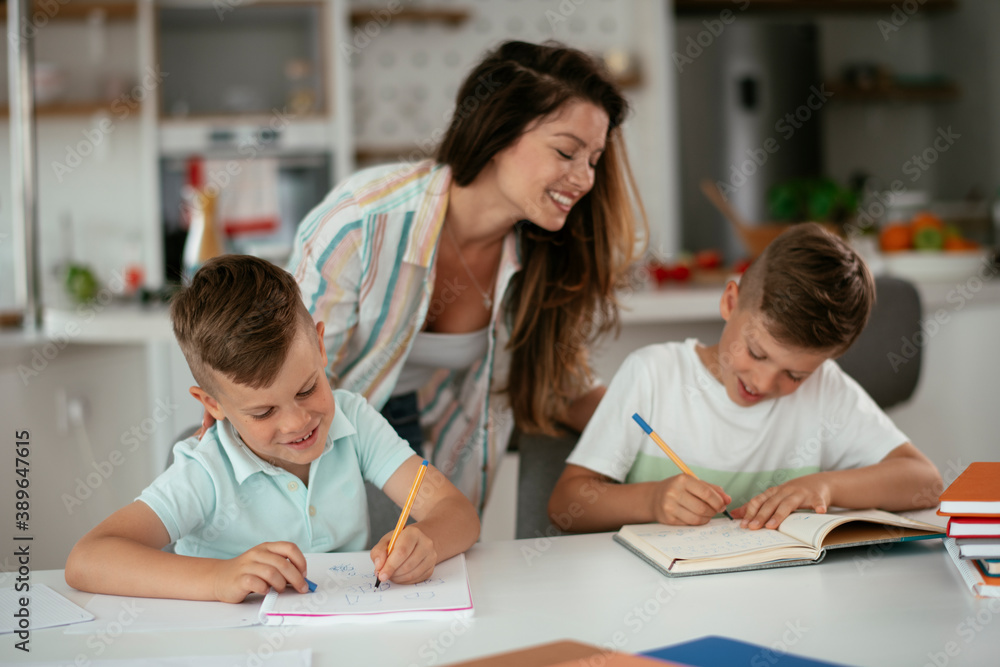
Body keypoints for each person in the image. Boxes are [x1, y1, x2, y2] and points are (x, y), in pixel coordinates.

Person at [286, 40, 646, 513]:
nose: (584, 179)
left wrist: (676, 437)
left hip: (430, 435)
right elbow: (295, 385)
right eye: (566, 152)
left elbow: (560, 386)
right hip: (325, 436)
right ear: (498, 133)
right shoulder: (360, 222)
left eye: (593, 161)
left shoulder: (539, 252)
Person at [65, 256, 480, 602]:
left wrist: (427, 540)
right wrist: (217, 579)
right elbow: (88, 558)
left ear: (320, 347)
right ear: (213, 404)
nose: (298, 422)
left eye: (307, 389)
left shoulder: (354, 420)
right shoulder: (206, 467)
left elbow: (457, 513)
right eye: (263, 413)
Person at [548, 223, 943, 533]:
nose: (766, 383)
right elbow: (565, 504)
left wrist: (825, 486)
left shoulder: (826, 390)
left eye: (795, 374)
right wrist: (651, 501)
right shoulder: (652, 374)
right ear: (730, 301)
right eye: (757, 353)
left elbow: (925, 481)